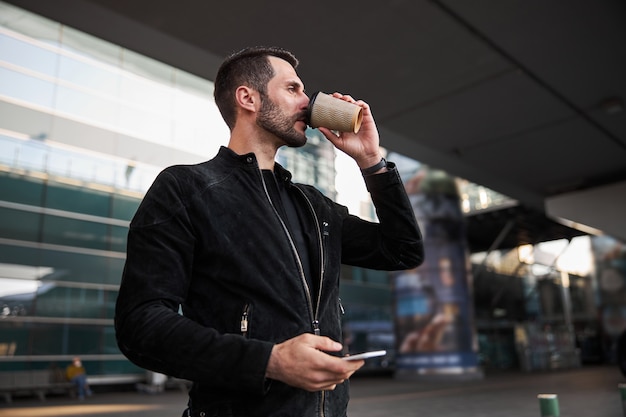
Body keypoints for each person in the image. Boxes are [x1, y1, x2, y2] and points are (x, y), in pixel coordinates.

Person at [115, 46, 424, 417]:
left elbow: (403, 250)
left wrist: (371, 162)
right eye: (293, 89)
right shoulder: (186, 188)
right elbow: (141, 324)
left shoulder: (314, 206)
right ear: (247, 98)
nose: (308, 103)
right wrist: (269, 361)